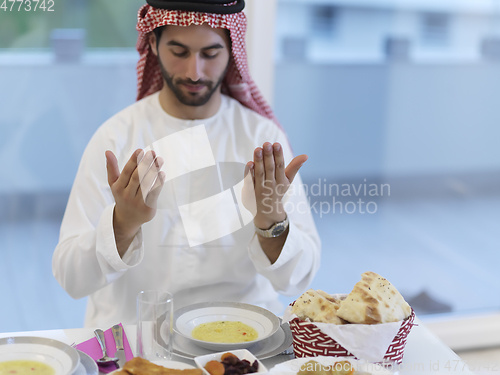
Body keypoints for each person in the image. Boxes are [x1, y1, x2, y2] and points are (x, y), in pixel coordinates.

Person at [52, 0, 321, 328]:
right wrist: (122, 225)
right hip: (138, 341)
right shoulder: (116, 139)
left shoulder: (262, 138)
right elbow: (71, 278)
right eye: (179, 52)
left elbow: (298, 280)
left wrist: (271, 222)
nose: (195, 71)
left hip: (243, 338)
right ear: (153, 43)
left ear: (232, 47)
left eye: (210, 54)